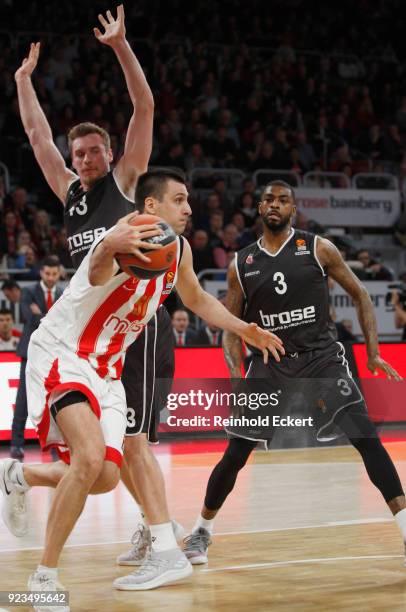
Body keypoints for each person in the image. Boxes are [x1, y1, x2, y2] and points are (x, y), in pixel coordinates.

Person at [0, 171, 284, 603]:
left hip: (108, 367)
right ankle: (45, 576)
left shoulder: (180, 249)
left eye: (189, 200)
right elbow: (95, 276)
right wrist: (108, 246)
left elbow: (197, 299)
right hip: (64, 353)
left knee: (104, 478)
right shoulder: (128, 234)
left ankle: (20, 476)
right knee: (90, 457)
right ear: (151, 206)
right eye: (179, 199)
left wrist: (246, 329)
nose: (189, 208)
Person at [14, 5, 180, 575]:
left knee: (129, 446)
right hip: (87, 333)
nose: (83, 160)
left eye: (92, 152)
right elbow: (37, 137)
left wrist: (120, 48)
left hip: (132, 324)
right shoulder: (70, 196)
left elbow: (145, 107)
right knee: (105, 457)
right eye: (77, 152)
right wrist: (22, 82)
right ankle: (156, 532)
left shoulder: (126, 182)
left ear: (109, 155)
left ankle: (162, 535)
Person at [183, 180, 405, 566]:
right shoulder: (242, 264)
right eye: (268, 198)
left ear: (293, 210)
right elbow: (231, 328)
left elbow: (361, 295)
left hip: (321, 359)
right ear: (259, 207)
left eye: (283, 200)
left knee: (365, 437)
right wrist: (237, 380)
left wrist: (371, 353)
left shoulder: (318, 248)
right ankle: (201, 531)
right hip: (271, 364)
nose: (275, 204)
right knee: (236, 453)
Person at [10, 257, 63, 461]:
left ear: (59, 274)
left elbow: (63, 321)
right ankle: (16, 444)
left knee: (54, 400)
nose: (50, 277)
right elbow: (28, 318)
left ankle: (55, 447)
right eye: (47, 273)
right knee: (22, 400)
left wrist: (40, 315)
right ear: (41, 272)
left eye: (54, 274)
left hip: (53, 354)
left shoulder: (63, 293)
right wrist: (51, 317)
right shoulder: (28, 291)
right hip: (30, 353)